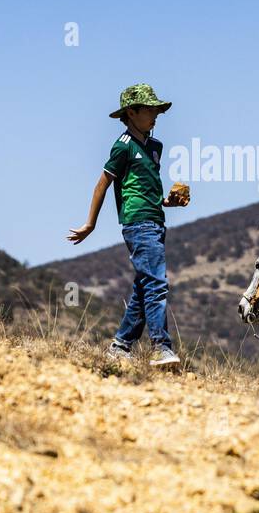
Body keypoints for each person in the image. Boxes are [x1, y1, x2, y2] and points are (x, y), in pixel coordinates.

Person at [68, 83, 188, 367]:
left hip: (155, 220)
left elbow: (149, 192)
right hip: (138, 223)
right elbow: (102, 184)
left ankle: (121, 345)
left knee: (145, 285)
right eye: (149, 109)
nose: (155, 115)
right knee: (157, 284)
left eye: (157, 110)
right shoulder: (122, 146)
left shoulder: (155, 148)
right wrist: (90, 224)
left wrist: (169, 201)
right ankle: (161, 346)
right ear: (131, 113)